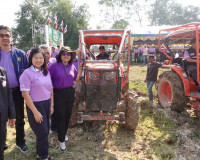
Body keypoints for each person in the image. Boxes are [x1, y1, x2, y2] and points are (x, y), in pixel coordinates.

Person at [19, 48, 53, 160]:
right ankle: (44, 157)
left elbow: (50, 90)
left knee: (44, 132)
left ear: (44, 59)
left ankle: (39, 154)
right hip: (35, 105)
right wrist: (35, 112)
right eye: (35, 57)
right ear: (31, 58)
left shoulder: (45, 72)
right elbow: (25, 95)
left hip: (47, 103)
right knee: (42, 133)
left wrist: (51, 105)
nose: (38, 60)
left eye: (41, 57)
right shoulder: (27, 74)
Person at [0, 25, 29, 152]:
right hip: (1, 93)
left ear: (11, 37)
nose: (5, 37)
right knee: (1, 119)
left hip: (16, 92)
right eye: (1, 35)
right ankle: (2, 143)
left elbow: (28, 72)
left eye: (7, 35)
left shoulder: (20, 54)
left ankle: (20, 142)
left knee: (19, 119)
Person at [49, 47, 80, 151]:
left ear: (71, 56)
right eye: (64, 54)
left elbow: (76, 78)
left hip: (70, 93)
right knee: (60, 117)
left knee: (67, 115)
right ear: (60, 55)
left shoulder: (72, 66)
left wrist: (80, 68)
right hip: (58, 94)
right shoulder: (53, 66)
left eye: (68, 54)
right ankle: (61, 140)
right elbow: (48, 80)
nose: (66, 56)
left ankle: (63, 134)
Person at [0, 66, 16, 160]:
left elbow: (8, 94)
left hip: (2, 116)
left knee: (1, 138)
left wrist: (12, 115)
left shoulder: (2, 71)